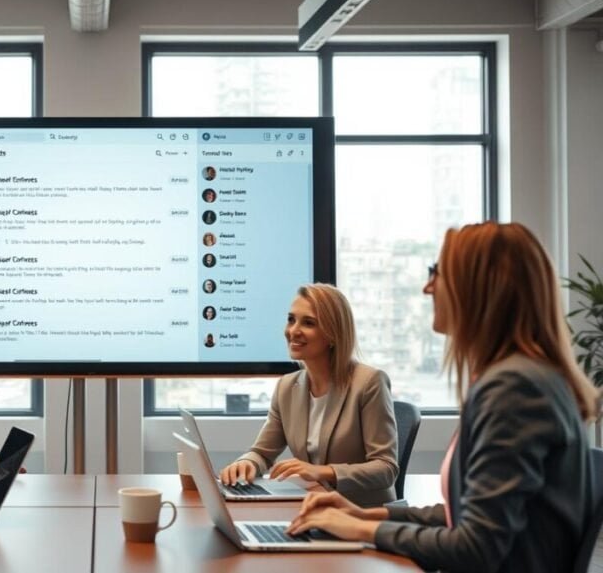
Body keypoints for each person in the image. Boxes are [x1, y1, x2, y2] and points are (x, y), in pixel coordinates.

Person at [286, 222, 599, 573]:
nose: (427, 287)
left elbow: (477, 546)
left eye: (438, 272)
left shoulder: (515, 388)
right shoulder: (517, 378)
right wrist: (368, 513)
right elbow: (465, 513)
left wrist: (361, 529)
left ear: (480, 287)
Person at [220, 283, 398, 507]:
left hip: (362, 515)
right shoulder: (287, 386)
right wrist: (247, 463)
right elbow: (263, 453)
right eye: (291, 319)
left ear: (333, 334)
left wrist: (323, 472)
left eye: (308, 323)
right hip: (313, 509)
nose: (293, 331)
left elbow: (386, 468)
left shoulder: (369, 383)